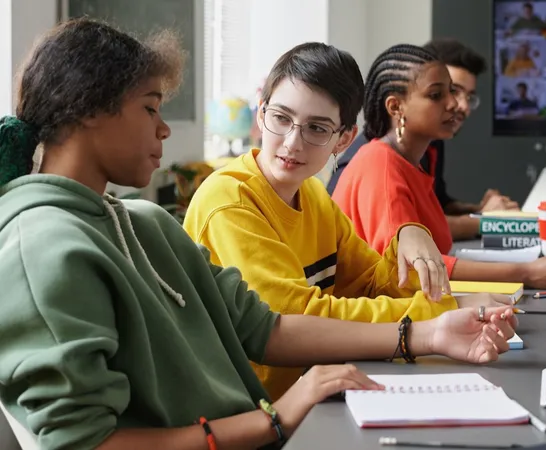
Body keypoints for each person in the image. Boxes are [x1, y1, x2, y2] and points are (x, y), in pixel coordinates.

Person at [0, 19, 518, 449]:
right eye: (152, 107)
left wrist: (429, 331)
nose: (164, 129)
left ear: (342, 138)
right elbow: (80, 443)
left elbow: (263, 326)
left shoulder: (145, 221)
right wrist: (273, 419)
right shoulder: (43, 248)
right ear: (90, 108)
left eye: (317, 128)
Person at [183, 42, 510, 400]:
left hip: (314, 392)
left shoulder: (312, 194)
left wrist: (409, 235)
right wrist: (444, 309)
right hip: (251, 412)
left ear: (344, 139)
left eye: (317, 128)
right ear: (261, 114)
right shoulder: (230, 202)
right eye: (281, 118)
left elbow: (371, 282)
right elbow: (297, 319)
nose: (293, 142)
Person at [331, 44, 546, 289]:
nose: (454, 104)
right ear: (396, 107)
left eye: (452, 92)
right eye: (436, 95)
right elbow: (408, 270)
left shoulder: (412, 165)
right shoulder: (380, 164)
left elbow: (435, 257)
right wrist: (525, 273)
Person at [328, 39, 519, 241]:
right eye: (441, 93)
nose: (459, 105)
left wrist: (478, 210)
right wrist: (485, 220)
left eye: (468, 96)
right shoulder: (378, 160)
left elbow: (435, 206)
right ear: (395, 106)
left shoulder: (428, 143)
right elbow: (409, 237)